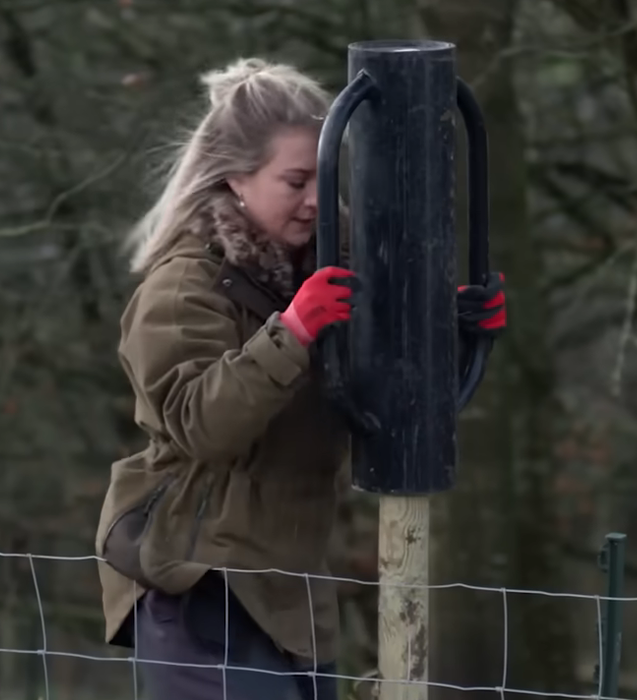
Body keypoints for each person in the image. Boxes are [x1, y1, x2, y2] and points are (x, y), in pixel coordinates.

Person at [95, 57, 507, 700]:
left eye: (323, 177)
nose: (315, 199)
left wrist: (455, 330)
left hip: (293, 592)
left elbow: (375, 401)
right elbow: (202, 425)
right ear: (235, 178)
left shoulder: (325, 274)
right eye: (294, 180)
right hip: (200, 581)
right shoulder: (182, 286)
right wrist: (294, 332)